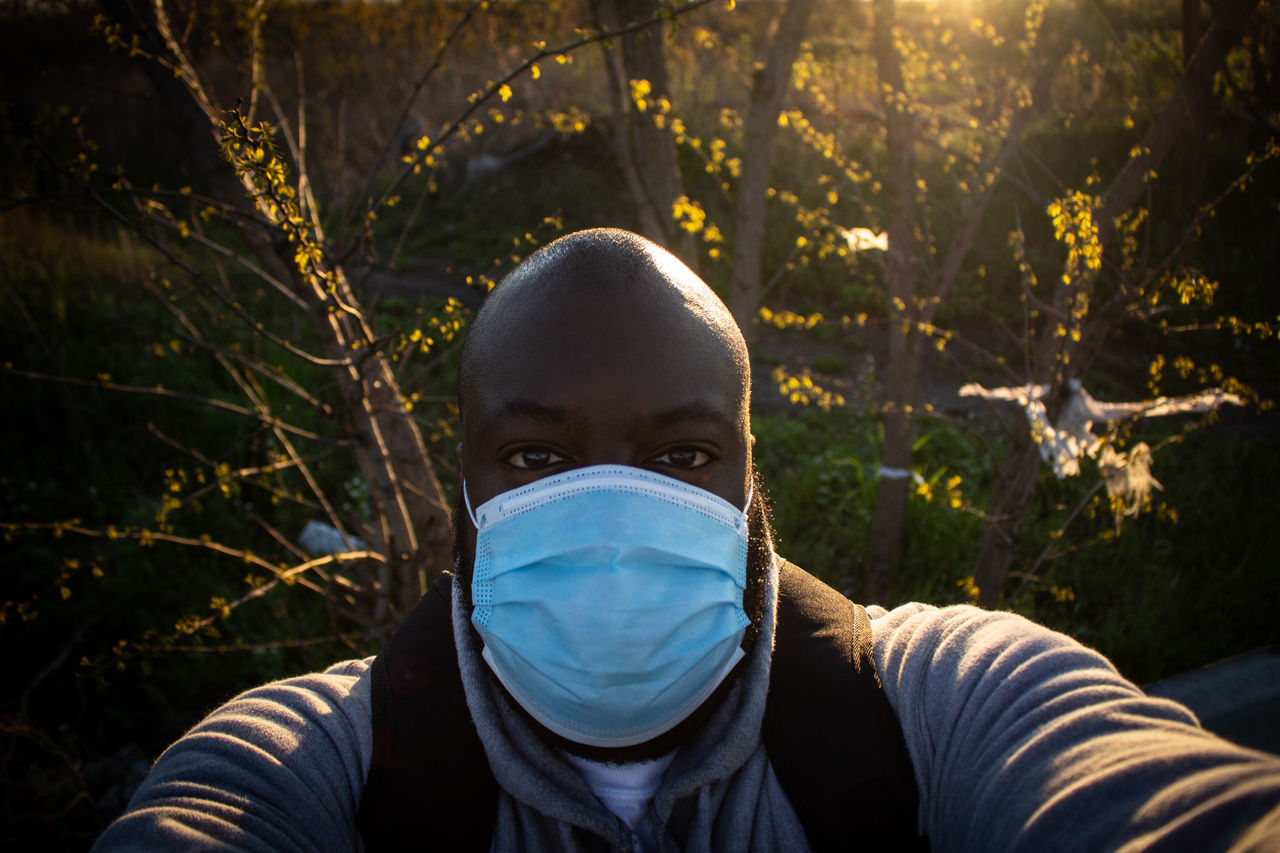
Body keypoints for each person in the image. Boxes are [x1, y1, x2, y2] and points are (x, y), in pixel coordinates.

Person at [94, 228, 1280, 852]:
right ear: (462, 487)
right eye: (538, 458)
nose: (609, 519)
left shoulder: (947, 700)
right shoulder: (306, 764)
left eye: (676, 455)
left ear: (746, 476)